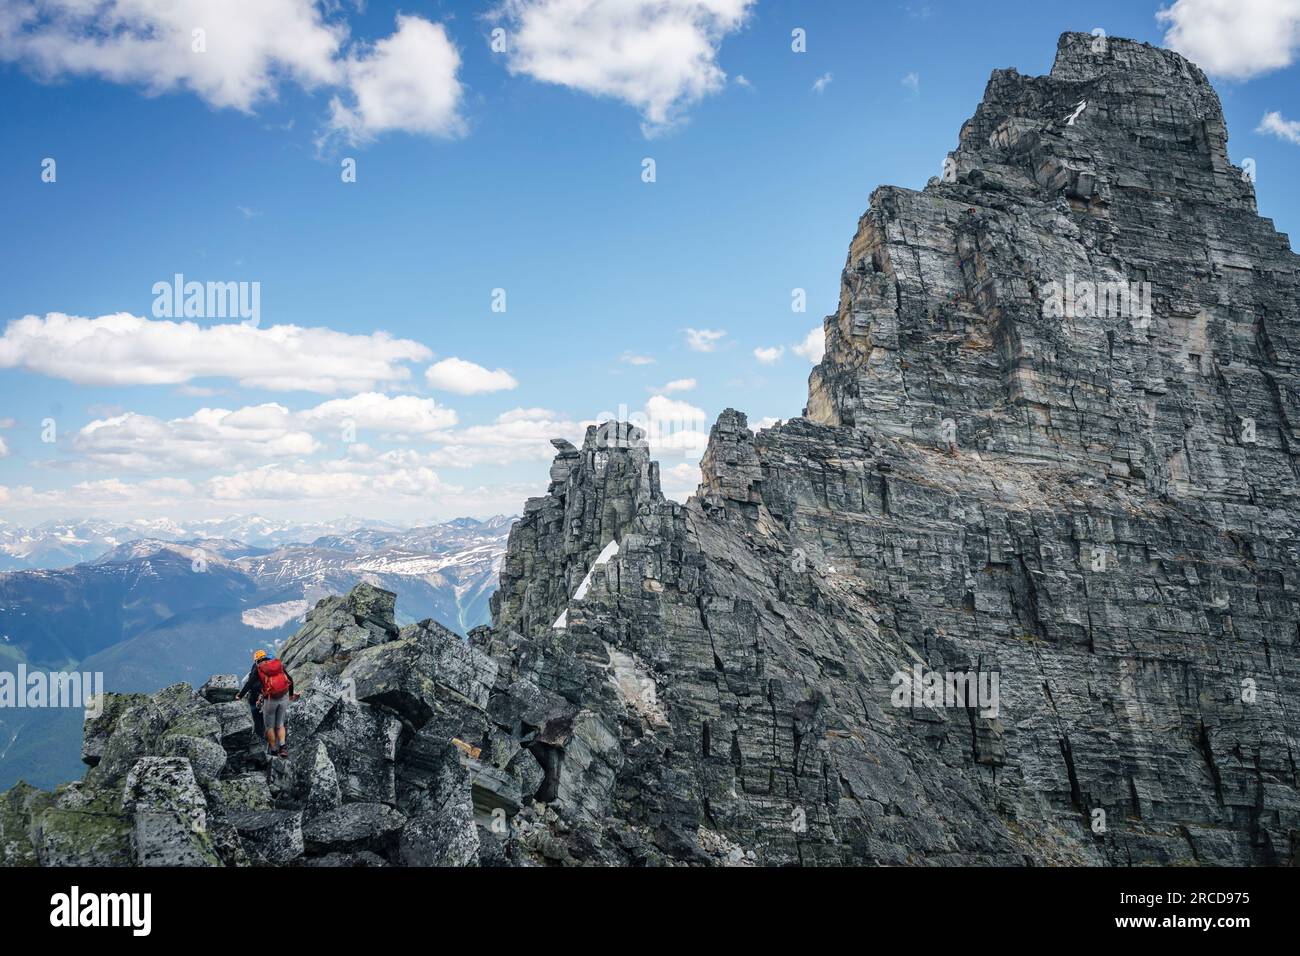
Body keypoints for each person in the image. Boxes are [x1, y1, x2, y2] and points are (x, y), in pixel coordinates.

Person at [234, 649, 298, 758]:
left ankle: (273, 751)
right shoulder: (277, 664)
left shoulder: (258, 668)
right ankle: (283, 748)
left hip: (269, 700)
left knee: (269, 727)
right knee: (280, 725)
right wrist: (291, 695)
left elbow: (249, 684)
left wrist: (239, 696)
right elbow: (290, 679)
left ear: (256, 660)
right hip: (283, 698)